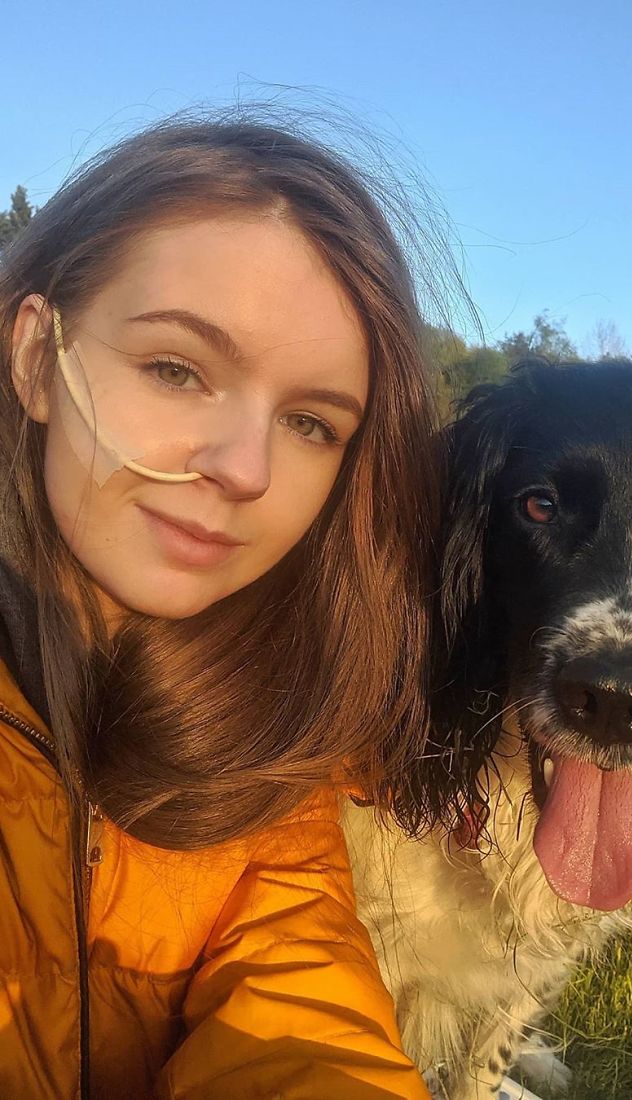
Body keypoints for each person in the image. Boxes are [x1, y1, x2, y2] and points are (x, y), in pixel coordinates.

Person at [0, 113, 441, 1099]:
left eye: (310, 422)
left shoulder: (273, 736)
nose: (245, 469)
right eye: (175, 368)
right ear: (36, 356)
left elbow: (303, 1017)